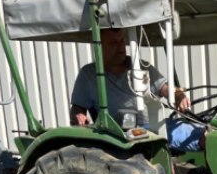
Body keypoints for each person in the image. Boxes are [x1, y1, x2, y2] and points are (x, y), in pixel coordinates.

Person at [69, 29, 208, 152]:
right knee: (201, 137)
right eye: (113, 42)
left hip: (150, 125)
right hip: (117, 133)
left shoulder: (140, 66)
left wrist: (179, 96)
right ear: (99, 46)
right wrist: (79, 115)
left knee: (204, 132)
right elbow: (77, 108)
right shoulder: (89, 74)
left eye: (122, 40)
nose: (120, 46)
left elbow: (165, 88)